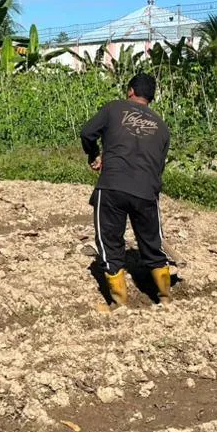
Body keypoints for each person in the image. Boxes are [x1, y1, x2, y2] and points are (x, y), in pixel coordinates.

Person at [79, 73, 174, 310]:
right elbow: (158, 166)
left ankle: (119, 302)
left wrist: (94, 155)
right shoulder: (162, 127)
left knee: (110, 242)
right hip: (146, 192)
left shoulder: (114, 109)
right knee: (152, 244)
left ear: (130, 91)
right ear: (151, 98)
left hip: (112, 187)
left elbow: (87, 133)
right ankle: (164, 297)